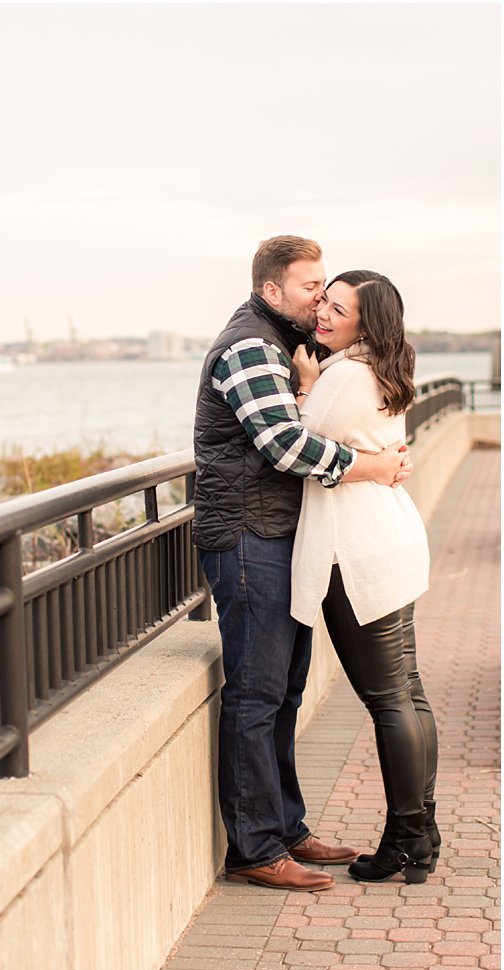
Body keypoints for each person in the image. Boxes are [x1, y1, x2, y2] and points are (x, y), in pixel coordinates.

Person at [193, 235, 411, 893]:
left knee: (284, 687)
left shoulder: (288, 344)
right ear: (271, 291)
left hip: (281, 535)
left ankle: (287, 828)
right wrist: (370, 467)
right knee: (257, 695)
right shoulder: (248, 349)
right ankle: (254, 848)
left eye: (324, 285)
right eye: (311, 285)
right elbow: (285, 445)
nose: (320, 296)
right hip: (247, 537)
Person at [290, 270, 437, 883]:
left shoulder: (347, 375)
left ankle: (407, 835)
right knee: (408, 693)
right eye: (324, 299)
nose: (323, 312)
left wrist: (304, 386)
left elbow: (295, 446)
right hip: (390, 540)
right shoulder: (387, 367)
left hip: (353, 553)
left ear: (364, 323)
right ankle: (421, 829)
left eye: (338, 308)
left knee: (387, 700)